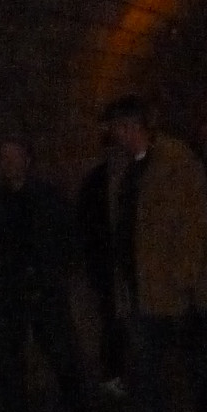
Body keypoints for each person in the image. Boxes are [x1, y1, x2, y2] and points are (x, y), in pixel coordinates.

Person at [104, 95, 207, 412]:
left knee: (195, 355)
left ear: (134, 127)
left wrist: (184, 277)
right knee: (147, 364)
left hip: (175, 284)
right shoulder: (125, 168)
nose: (116, 136)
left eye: (120, 128)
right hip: (142, 285)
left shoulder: (176, 160)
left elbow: (193, 222)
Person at [0, 136, 88, 412]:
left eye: (16, 156)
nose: (11, 164)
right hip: (8, 298)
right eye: (4, 158)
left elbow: (67, 239)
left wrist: (53, 273)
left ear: (27, 158)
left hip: (44, 292)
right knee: (11, 369)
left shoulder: (48, 198)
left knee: (63, 357)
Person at [76, 132, 128, 395]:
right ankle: (112, 371)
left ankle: (129, 368)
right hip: (106, 264)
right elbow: (86, 224)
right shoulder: (95, 182)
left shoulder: (134, 177)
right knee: (110, 319)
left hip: (130, 264)